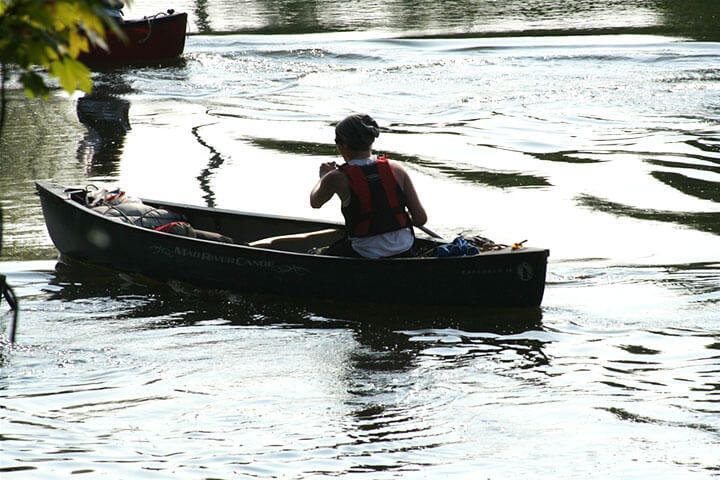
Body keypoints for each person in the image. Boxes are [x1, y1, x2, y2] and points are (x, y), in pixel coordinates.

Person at [310, 113, 427, 258]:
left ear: (343, 143)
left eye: (337, 141)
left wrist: (324, 177)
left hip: (364, 253)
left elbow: (315, 202)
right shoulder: (396, 168)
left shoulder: (336, 177)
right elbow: (421, 219)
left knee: (318, 254)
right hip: (405, 248)